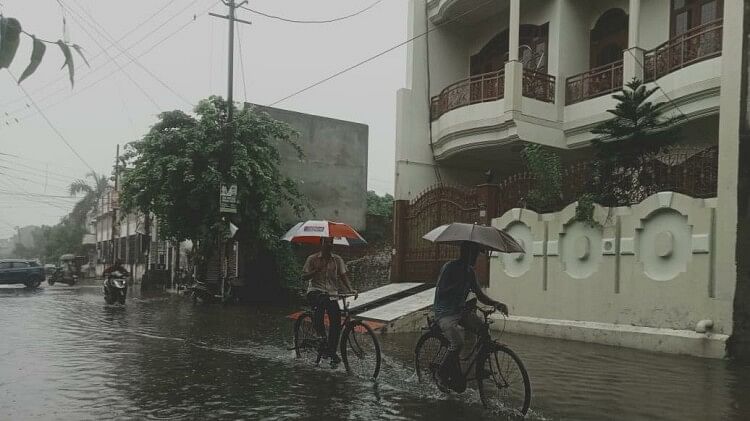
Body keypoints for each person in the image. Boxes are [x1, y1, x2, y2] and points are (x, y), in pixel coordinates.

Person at [433, 241, 508, 391]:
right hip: (445, 311)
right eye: (473, 254)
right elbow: (442, 291)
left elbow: (479, 294)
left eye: (477, 254)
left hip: (461, 310)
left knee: (483, 331)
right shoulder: (450, 267)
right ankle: (441, 373)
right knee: (458, 343)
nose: (475, 257)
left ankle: (480, 367)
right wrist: (459, 284)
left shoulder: (470, 272)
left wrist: (496, 303)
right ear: (465, 253)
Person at [302, 237, 355, 365]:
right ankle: (321, 336)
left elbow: (343, 276)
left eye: (332, 242)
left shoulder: (337, 260)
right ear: (321, 243)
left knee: (336, 320)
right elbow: (304, 277)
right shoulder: (312, 259)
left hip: (331, 294)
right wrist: (316, 270)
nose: (330, 244)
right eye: (327, 242)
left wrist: (351, 289)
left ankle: (330, 350)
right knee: (321, 303)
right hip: (315, 291)